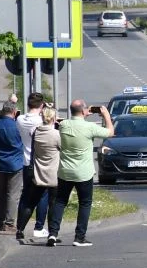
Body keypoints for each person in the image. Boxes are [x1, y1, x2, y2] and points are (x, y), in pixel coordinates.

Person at [50, 100, 114, 247]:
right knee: (84, 203)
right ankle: (79, 237)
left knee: (60, 201)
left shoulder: (64, 125)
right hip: (83, 172)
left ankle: (53, 233)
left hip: (65, 171)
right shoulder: (89, 127)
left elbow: (56, 120)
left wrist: (82, 113)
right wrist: (106, 116)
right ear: (84, 111)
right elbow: (110, 133)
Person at [16, 105, 59, 242]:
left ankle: (20, 229)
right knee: (53, 203)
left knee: (31, 202)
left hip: (38, 171)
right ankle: (52, 233)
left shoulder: (36, 132)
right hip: (53, 172)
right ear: (53, 118)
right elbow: (62, 147)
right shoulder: (56, 134)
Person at [0, 104, 25, 232]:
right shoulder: (17, 125)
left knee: (0, 194)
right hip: (15, 163)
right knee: (13, 194)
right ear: (14, 111)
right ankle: (10, 223)